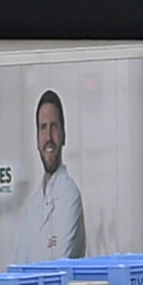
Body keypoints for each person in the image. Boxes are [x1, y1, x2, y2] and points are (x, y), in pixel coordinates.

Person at [29, 89, 86, 259]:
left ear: (63, 135)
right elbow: (17, 269)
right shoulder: (33, 206)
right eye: (43, 128)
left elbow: (58, 269)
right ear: (37, 140)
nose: (48, 137)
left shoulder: (70, 196)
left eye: (54, 127)